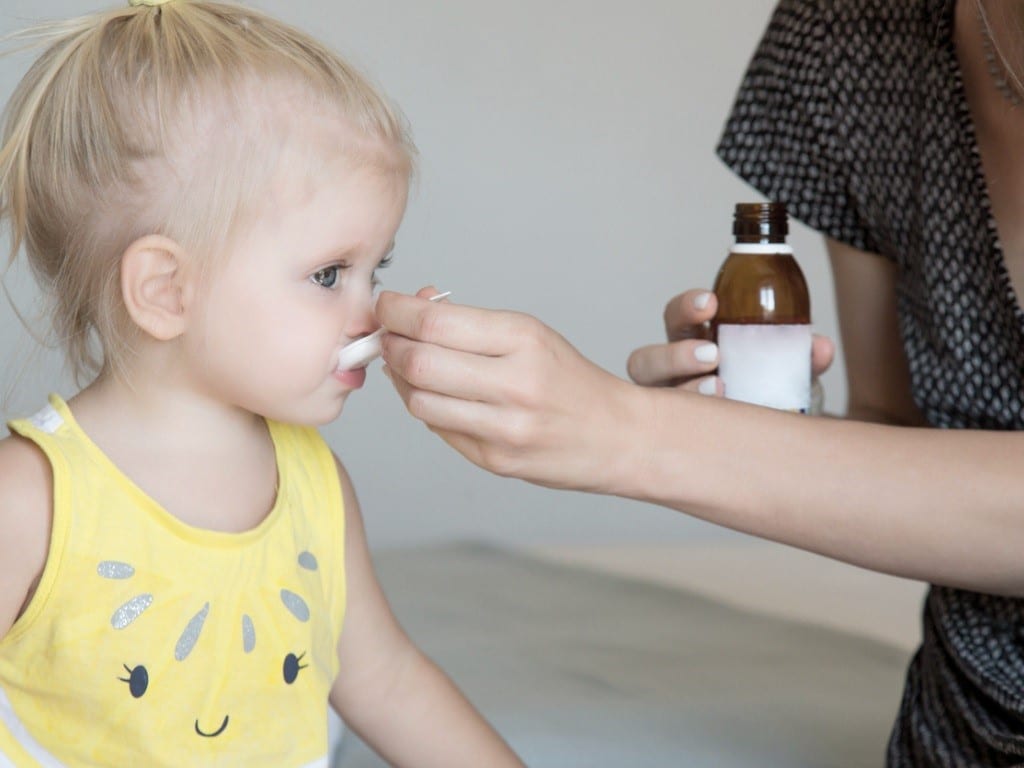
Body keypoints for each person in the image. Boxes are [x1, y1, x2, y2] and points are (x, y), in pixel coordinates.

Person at [376, 0, 1024, 764]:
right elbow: (894, 429)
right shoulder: (847, 34)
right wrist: (754, 427)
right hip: (954, 733)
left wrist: (640, 437)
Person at [0, 1, 524, 766]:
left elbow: (387, 680)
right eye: (327, 274)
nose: (369, 307)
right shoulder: (30, 498)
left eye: (374, 270)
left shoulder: (314, 484)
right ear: (166, 291)